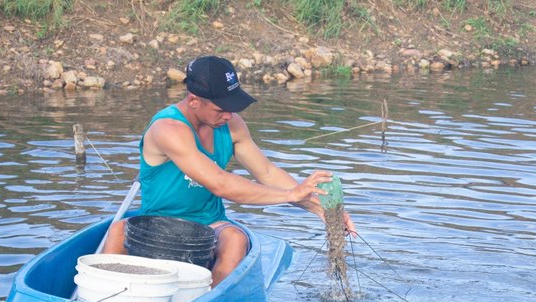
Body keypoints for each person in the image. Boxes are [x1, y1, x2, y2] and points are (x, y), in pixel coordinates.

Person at [103, 55, 356, 286]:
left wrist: (319, 207)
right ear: (193, 100)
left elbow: (266, 172)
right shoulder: (168, 129)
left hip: (209, 223)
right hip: (156, 222)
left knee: (236, 240)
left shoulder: (231, 125)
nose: (229, 115)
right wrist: (291, 194)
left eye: (232, 106)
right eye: (221, 108)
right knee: (116, 231)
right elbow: (220, 183)